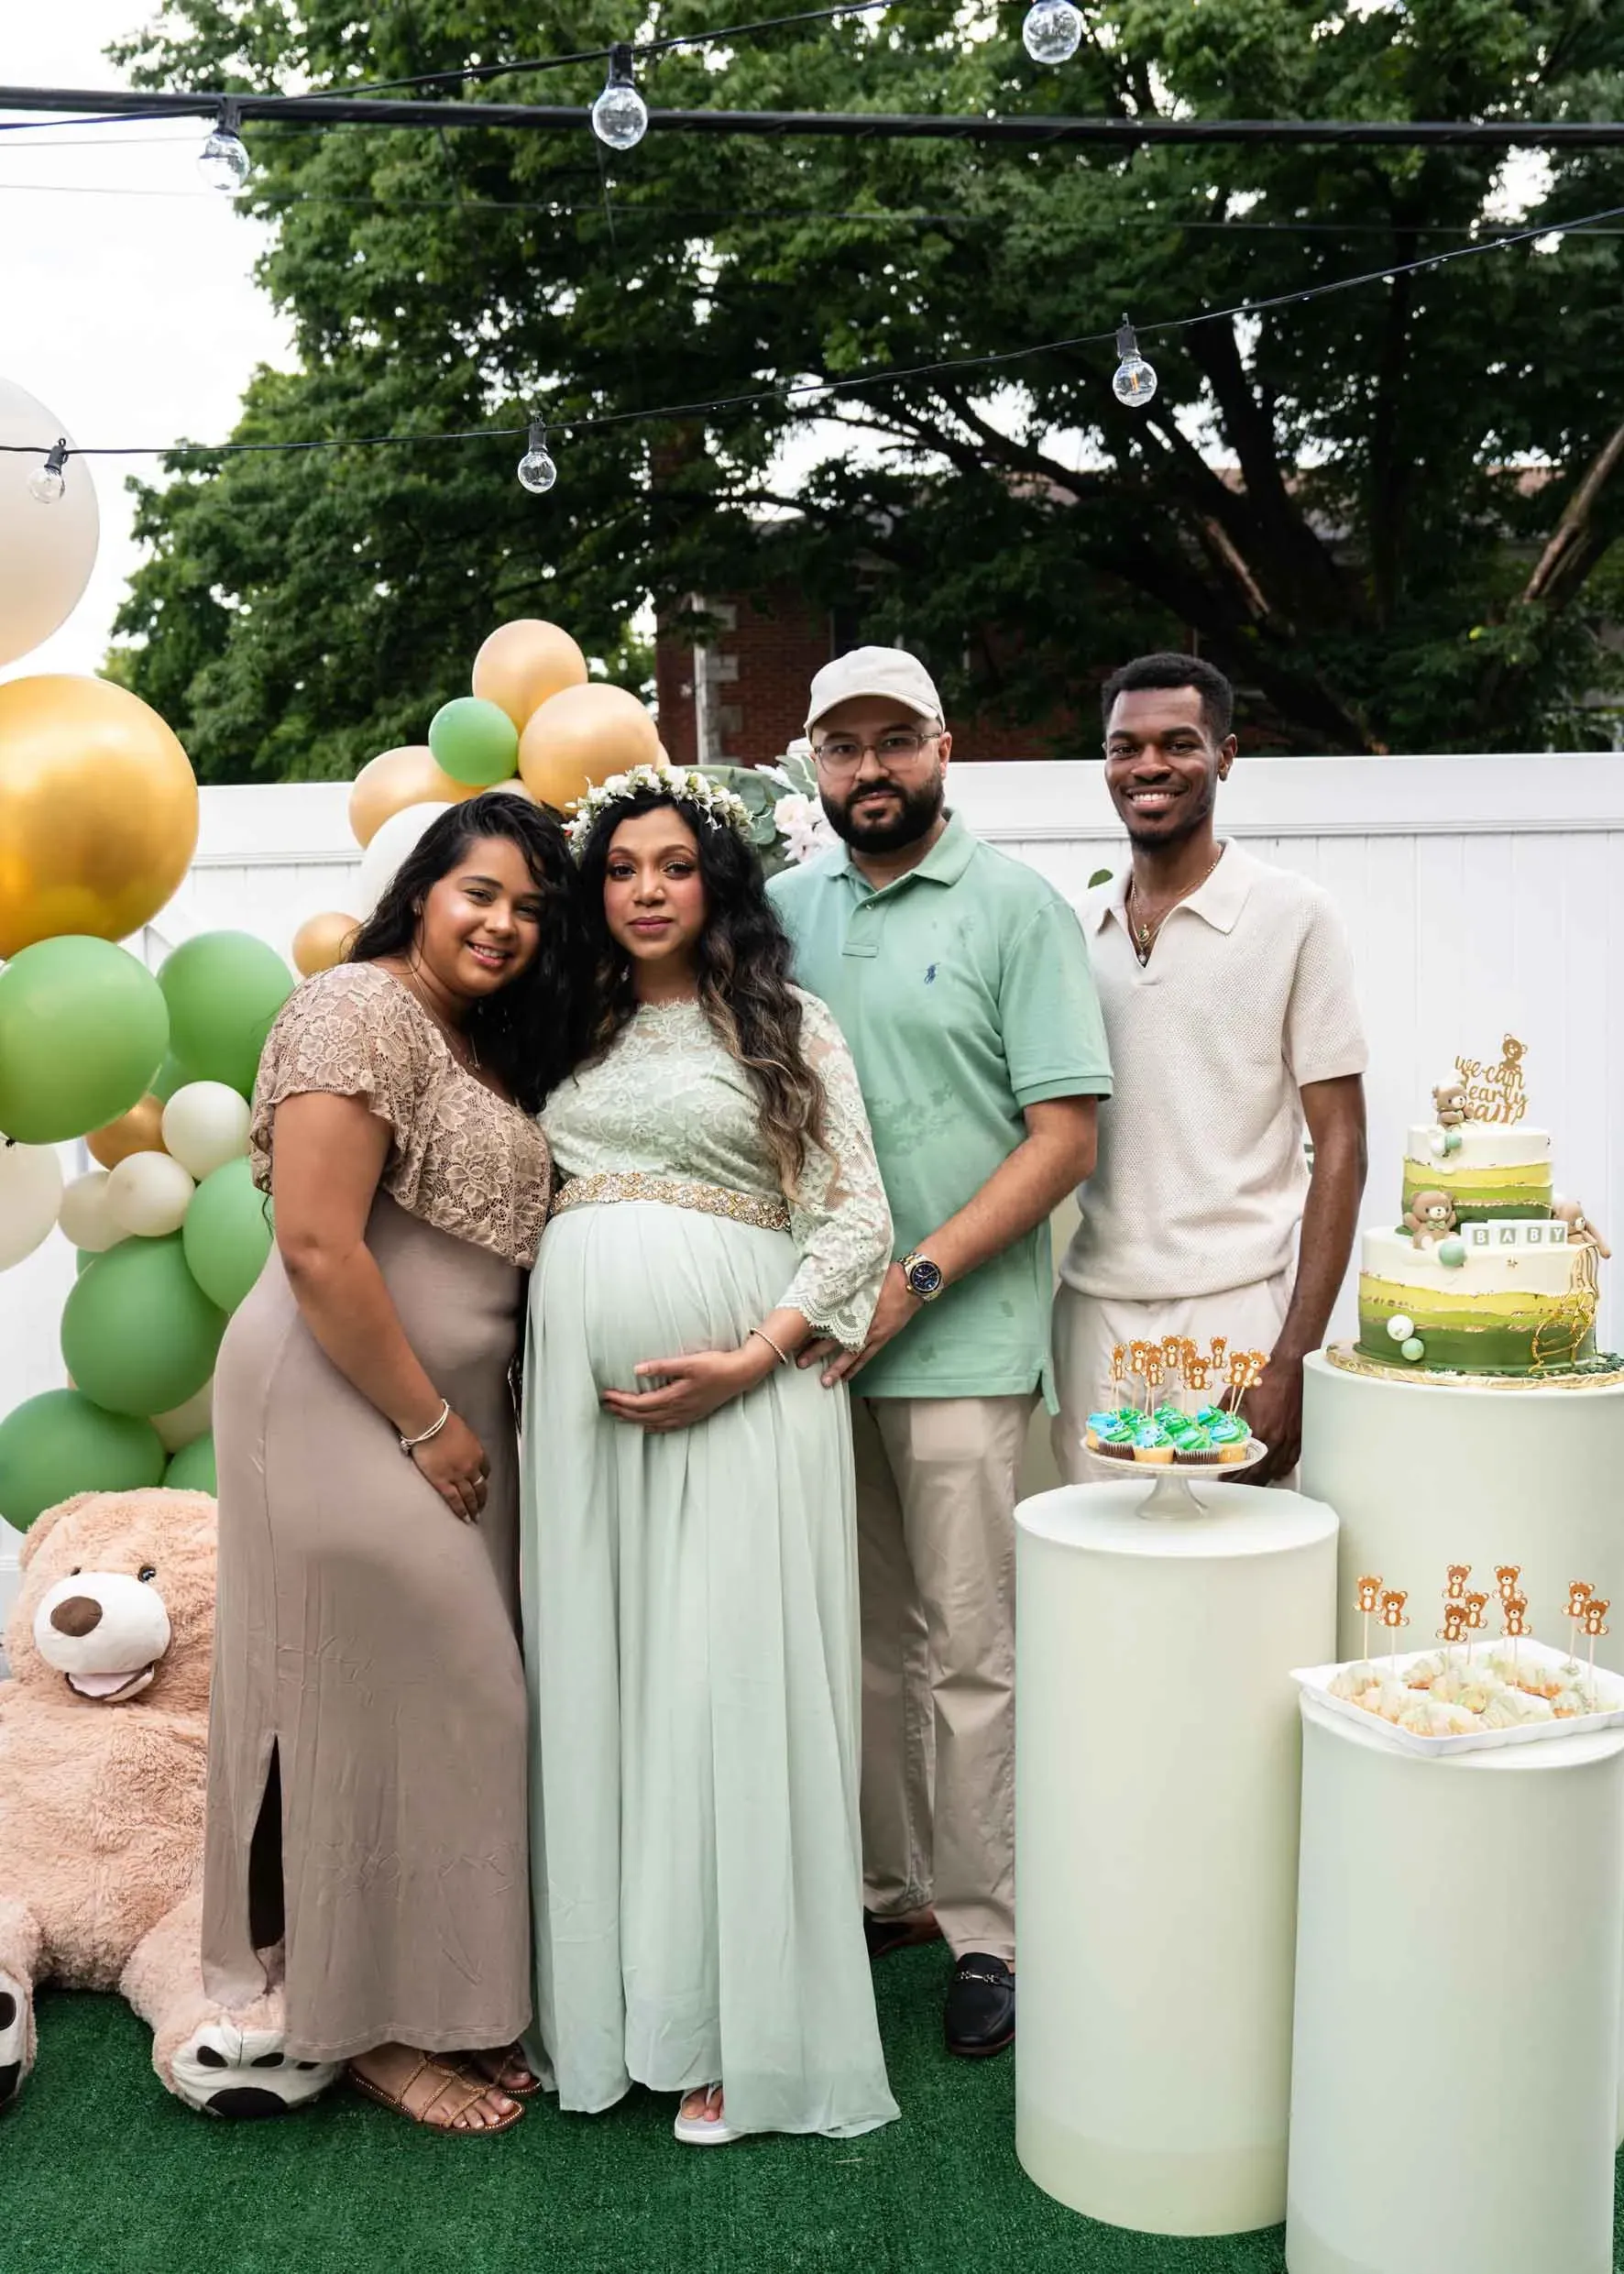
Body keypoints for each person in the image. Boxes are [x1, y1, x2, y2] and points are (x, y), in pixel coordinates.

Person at [521, 766, 898, 2148]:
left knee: (722, 1684)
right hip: (581, 1417)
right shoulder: (563, 1020)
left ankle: (751, 2033)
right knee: (613, 1684)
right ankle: (624, 2010)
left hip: (751, 1395)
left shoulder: (786, 1023)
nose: (645, 892)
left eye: (673, 866)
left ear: (715, 880)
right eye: (621, 869)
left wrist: (753, 1355)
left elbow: (859, 1215)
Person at [202, 791, 584, 2136]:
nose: (506, 924)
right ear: (423, 888)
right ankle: (353, 2021)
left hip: (437, 1420)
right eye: (481, 892)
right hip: (343, 1408)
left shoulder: (466, 1039)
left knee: (426, 1714)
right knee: (421, 1702)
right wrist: (428, 1423)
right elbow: (316, 1245)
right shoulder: (354, 1009)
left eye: (533, 908)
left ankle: (441, 2001)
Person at [769, 648, 1113, 2059]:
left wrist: (914, 1278)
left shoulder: (1019, 910)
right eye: (841, 747)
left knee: (972, 1648)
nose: (869, 770)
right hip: (811, 1341)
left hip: (957, 1336)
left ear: (944, 748)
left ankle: (987, 1932)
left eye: (893, 741)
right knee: (852, 1644)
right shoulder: (778, 912)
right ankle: (880, 1887)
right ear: (811, 762)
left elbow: (1065, 1137)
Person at [1053, 652, 1368, 1486]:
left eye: (1179, 743)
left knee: (1230, 1589)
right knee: (1103, 1582)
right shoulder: (1070, 928)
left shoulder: (1294, 916)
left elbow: (1342, 1145)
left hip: (1236, 1314)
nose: (1149, 765)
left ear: (1225, 756)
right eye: (1126, 747)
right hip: (1093, 1316)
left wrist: (1292, 1357)